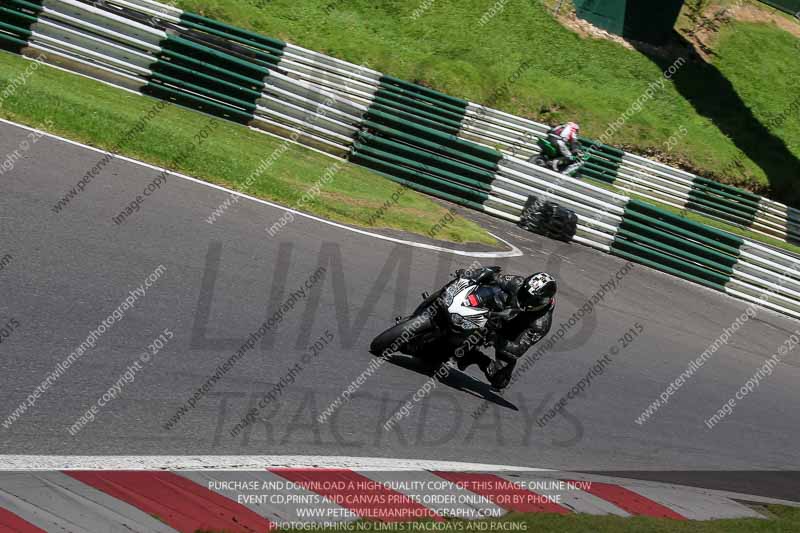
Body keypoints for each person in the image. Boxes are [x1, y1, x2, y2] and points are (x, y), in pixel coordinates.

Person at [452, 267, 556, 390]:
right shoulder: (517, 283)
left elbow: (517, 349)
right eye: (524, 293)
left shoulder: (541, 324)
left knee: (500, 380)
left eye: (530, 298)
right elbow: (493, 277)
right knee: (491, 289)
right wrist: (469, 275)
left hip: (510, 335)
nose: (524, 298)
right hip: (498, 313)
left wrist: (494, 338)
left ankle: (476, 357)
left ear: (542, 301)